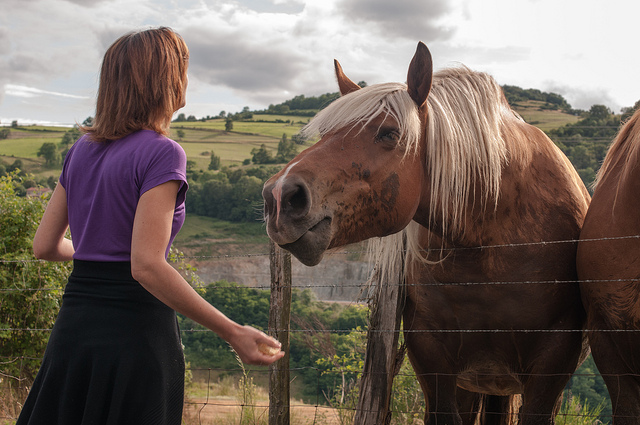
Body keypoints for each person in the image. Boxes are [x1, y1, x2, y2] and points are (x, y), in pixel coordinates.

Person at [18, 27, 284, 425]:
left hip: (73, 330)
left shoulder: (81, 150)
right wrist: (232, 331)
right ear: (169, 79)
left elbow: (45, 246)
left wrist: (101, 252)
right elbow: (146, 265)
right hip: (135, 335)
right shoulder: (163, 154)